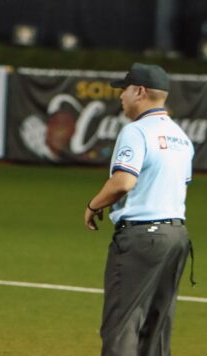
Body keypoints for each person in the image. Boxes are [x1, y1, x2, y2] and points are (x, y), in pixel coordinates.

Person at [83, 62, 194, 356]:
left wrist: (93, 205)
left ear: (140, 92)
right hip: (176, 237)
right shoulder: (181, 137)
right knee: (156, 327)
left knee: (122, 326)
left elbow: (123, 181)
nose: (121, 96)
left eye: (125, 89)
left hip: (143, 238)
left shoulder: (136, 131)